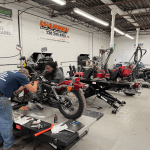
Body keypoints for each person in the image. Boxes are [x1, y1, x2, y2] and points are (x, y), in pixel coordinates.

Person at [0, 68, 40, 150]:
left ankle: (1, 140)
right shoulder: (22, 76)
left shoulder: (11, 72)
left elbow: (15, 90)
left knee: (1, 120)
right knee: (7, 122)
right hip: (1, 99)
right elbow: (33, 90)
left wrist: (27, 84)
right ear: (26, 74)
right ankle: (8, 146)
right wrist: (36, 82)